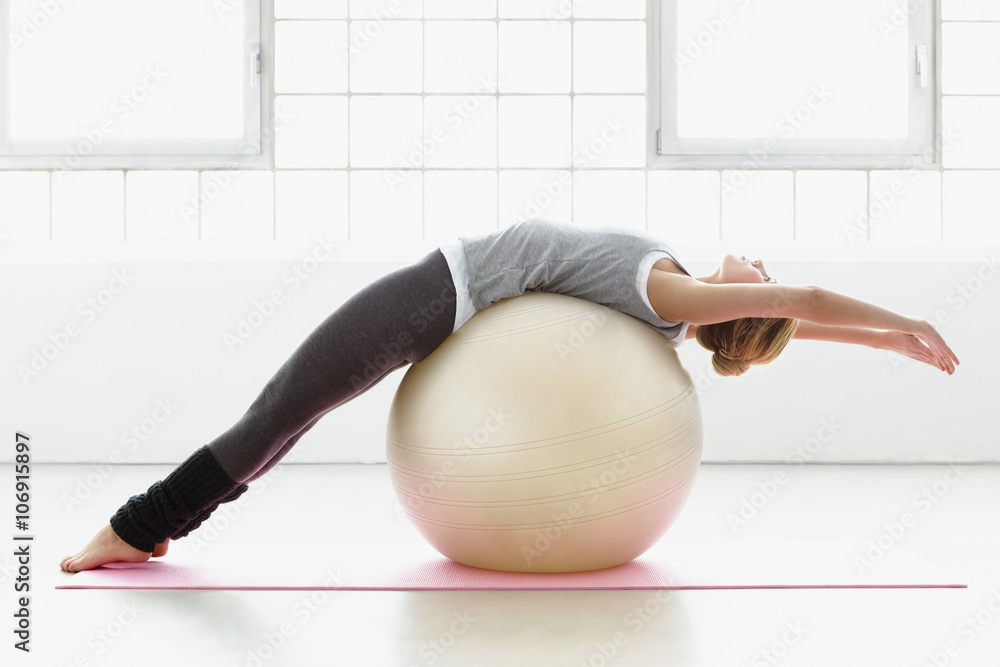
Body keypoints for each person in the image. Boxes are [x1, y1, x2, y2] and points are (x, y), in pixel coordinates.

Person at [59, 218, 959, 572]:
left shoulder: (675, 299)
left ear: (737, 306)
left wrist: (907, 316)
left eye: (760, 275)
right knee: (288, 417)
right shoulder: (677, 309)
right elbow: (797, 320)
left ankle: (134, 526)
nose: (759, 261)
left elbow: (794, 304)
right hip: (443, 307)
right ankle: (161, 525)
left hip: (433, 296)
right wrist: (888, 337)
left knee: (280, 408)